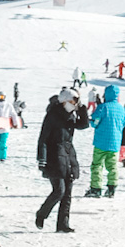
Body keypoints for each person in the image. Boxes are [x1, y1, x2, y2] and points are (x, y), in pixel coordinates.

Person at [35, 88, 89, 232]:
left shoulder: (71, 115)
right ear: (64, 101)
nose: (74, 104)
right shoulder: (52, 115)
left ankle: (62, 224)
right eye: (72, 101)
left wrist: (82, 109)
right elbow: (43, 139)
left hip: (68, 156)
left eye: (76, 102)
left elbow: (83, 125)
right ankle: (42, 214)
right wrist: (42, 158)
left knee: (67, 193)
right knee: (59, 191)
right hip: (54, 157)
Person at [85, 84, 125, 197]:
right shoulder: (121, 109)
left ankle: (96, 188)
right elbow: (123, 123)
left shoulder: (103, 107)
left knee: (97, 165)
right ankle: (112, 188)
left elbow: (94, 121)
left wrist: (94, 124)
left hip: (101, 142)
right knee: (112, 166)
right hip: (115, 143)